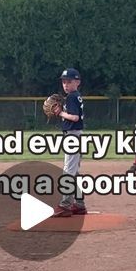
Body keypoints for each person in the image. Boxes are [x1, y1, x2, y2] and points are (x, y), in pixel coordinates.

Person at [52, 68, 87, 217]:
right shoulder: (75, 96)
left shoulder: (72, 96)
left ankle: (65, 205)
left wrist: (60, 113)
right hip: (75, 135)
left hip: (73, 135)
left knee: (69, 171)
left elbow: (75, 117)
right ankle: (79, 204)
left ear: (77, 82)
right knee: (75, 171)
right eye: (64, 82)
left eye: (69, 81)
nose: (66, 84)